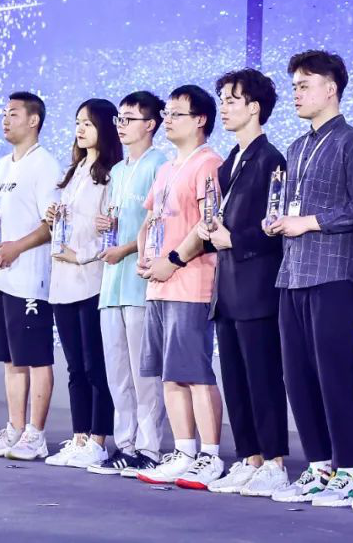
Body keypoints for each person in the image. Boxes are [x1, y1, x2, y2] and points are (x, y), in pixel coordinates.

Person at [264, 50, 353, 507]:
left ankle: (349, 470)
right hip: (292, 273)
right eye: (294, 86)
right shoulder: (295, 147)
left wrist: (307, 222)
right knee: (297, 376)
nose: (296, 93)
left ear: (331, 90)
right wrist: (278, 221)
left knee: (335, 374)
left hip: (334, 274)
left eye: (304, 85)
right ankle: (319, 465)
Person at [196, 69, 290, 497]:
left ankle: (274, 461)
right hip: (227, 288)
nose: (225, 107)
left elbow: (275, 227)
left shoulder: (272, 160)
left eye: (232, 100)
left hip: (258, 287)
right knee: (235, 379)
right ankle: (249, 457)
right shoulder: (228, 162)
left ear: (255, 108)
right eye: (223, 99)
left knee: (263, 378)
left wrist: (235, 239)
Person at [133, 85, 225, 489]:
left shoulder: (209, 164)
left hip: (191, 282)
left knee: (195, 372)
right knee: (169, 375)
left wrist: (171, 261)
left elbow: (208, 225)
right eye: (166, 114)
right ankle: (184, 451)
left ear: (200, 119)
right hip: (158, 284)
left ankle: (210, 455)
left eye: (176, 114)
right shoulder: (167, 168)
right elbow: (150, 220)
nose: (167, 120)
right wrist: (144, 255)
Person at [0, 92, 62, 462]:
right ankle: (14, 428)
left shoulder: (45, 166)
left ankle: (35, 434)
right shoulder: (1, 166)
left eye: (13, 114)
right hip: (2, 280)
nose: (5, 120)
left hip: (31, 280)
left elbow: (50, 225)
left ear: (33, 120)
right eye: (4, 114)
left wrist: (16, 248)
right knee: (11, 360)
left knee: (36, 358)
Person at [91, 91, 169, 478]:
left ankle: (149, 447)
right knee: (117, 373)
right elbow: (117, 221)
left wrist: (125, 248)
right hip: (111, 286)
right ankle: (124, 445)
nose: (121, 126)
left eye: (129, 119)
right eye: (119, 119)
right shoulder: (118, 171)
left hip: (141, 284)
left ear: (150, 124)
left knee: (144, 374)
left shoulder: (161, 165)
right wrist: (107, 227)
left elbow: (160, 226)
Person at [43, 99, 121, 469]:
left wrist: (82, 254)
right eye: (77, 122)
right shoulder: (72, 172)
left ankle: (99, 440)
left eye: (88, 123)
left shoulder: (111, 174)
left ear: (105, 127)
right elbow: (67, 224)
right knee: (74, 366)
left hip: (92, 280)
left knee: (95, 366)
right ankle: (79, 437)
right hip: (62, 283)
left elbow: (112, 228)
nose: (80, 129)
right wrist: (53, 218)